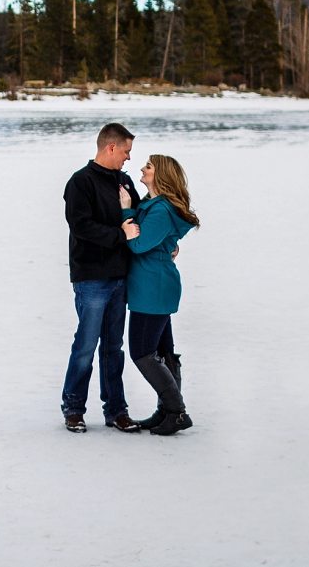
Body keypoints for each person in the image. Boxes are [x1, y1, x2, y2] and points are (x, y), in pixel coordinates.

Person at [61, 122, 142, 433]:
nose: (129, 158)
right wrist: (119, 235)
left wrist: (165, 244)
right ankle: (73, 408)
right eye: (126, 151)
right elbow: (81, 226)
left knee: (113, 347)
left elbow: (137, 218)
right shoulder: (80, 183)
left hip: (120, 275)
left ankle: (116, 411)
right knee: (85, 344)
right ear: (111, 147)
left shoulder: (123, 180)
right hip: (92, 277)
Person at [120, 154, 200, 435]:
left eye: (149, 166)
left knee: (142, 352)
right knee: (163, 352)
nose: (142, 167)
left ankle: (177, 412)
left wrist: (126, 211)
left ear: (161, 175)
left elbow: (139, 244)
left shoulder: (160, 210)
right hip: (153, 284)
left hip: (152, 287)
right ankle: (166, 411)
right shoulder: (153, 205)